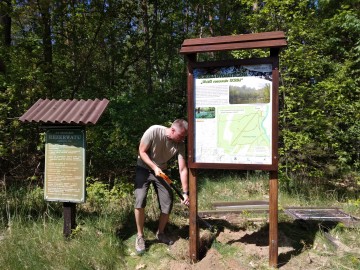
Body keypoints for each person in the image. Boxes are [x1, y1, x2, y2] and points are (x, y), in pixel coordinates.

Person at [134, 119, 189, 254]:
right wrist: (154, 167)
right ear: (172, 130)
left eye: (185, 137)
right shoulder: (154, 131)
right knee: (140, 200)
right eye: (181, 136)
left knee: (168, 201)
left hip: (162, 172)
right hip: (144, 168)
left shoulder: (180, 144)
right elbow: (142, 151)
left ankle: (160, 233)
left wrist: (185, 192)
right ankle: (140, 236)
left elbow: (182, 169)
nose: (183, 139)